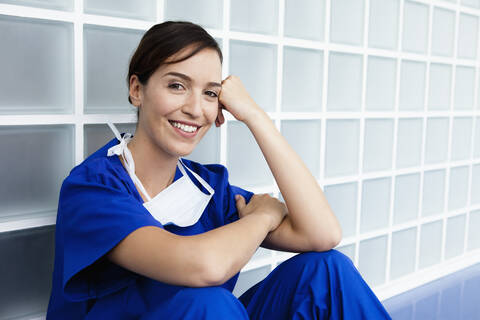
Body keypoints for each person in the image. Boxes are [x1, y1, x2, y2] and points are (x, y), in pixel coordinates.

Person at [46, 21, 391, 319]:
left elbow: (322, 234)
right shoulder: (92, 189)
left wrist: (255, 117)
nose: (196, 109)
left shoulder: (208, 187)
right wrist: (262, 218)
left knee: (326, 270)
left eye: (210, 93)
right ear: (137, 89)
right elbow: (205, 266)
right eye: (177, 85)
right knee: (210, 302)